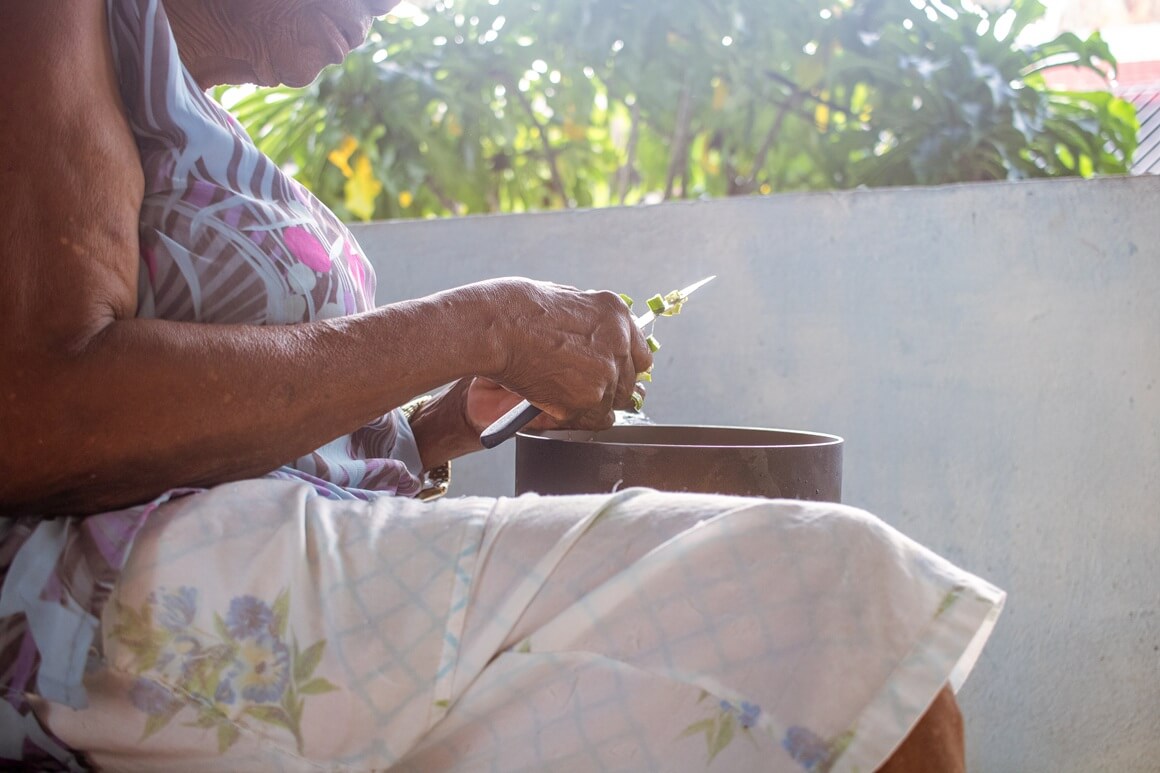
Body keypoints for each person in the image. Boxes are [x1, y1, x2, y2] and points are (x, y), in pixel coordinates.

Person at [0, 0, 1004, 770]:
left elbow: (234, 416)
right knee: (832, 589)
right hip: (138, 596)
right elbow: (42, 410)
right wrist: (484, 321)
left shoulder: (200, 118)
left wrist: (439, 425)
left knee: (837, 642)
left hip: (265, 547)